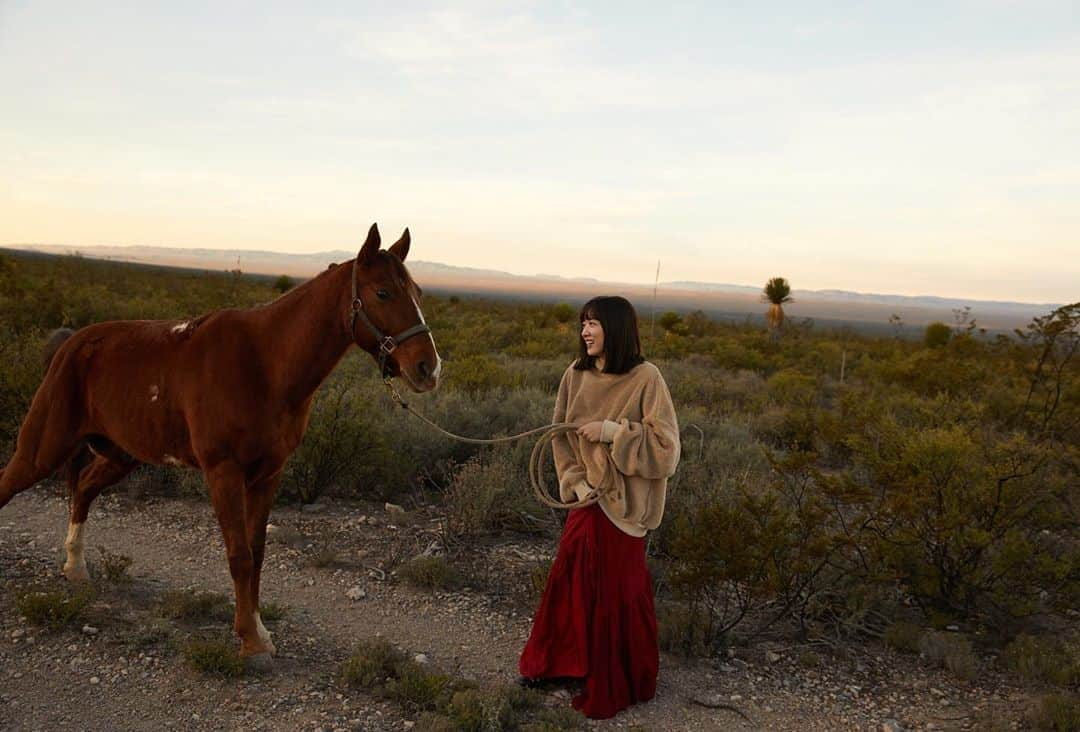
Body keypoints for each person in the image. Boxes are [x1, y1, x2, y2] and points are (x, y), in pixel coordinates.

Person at [518, 295, 681, 720]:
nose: (585, 331)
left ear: (616, 328)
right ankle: (555, 665)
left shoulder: (648, 378)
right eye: (582, 323)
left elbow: (666, 451)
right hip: (585, 499)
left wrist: (613, 433)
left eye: (593, 323)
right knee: (570, 575)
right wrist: (573, 482)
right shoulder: (575, 375)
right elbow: (559, 436)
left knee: (617, 590)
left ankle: (620, 678)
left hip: (626, 509)